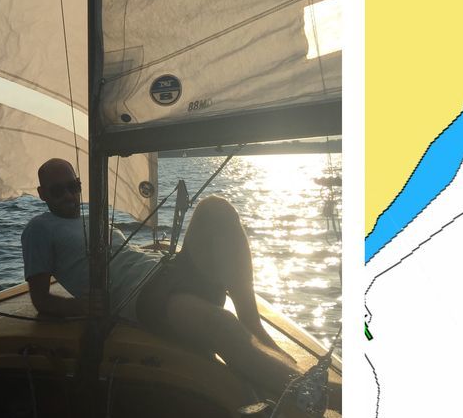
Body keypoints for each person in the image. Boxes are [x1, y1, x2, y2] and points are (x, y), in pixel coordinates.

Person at [20, 158, 298, 396]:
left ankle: (253, 324)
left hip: (166, 268)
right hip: (142, 293)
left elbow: (123, 253)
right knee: (222, 322)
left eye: (73, 186)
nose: (69, 195)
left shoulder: (90, 217)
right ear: (42, 193)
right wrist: (80, 306)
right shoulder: (39, 229)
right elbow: (41, 299)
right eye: (58, 191)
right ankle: (315, 396)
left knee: (216, 207)